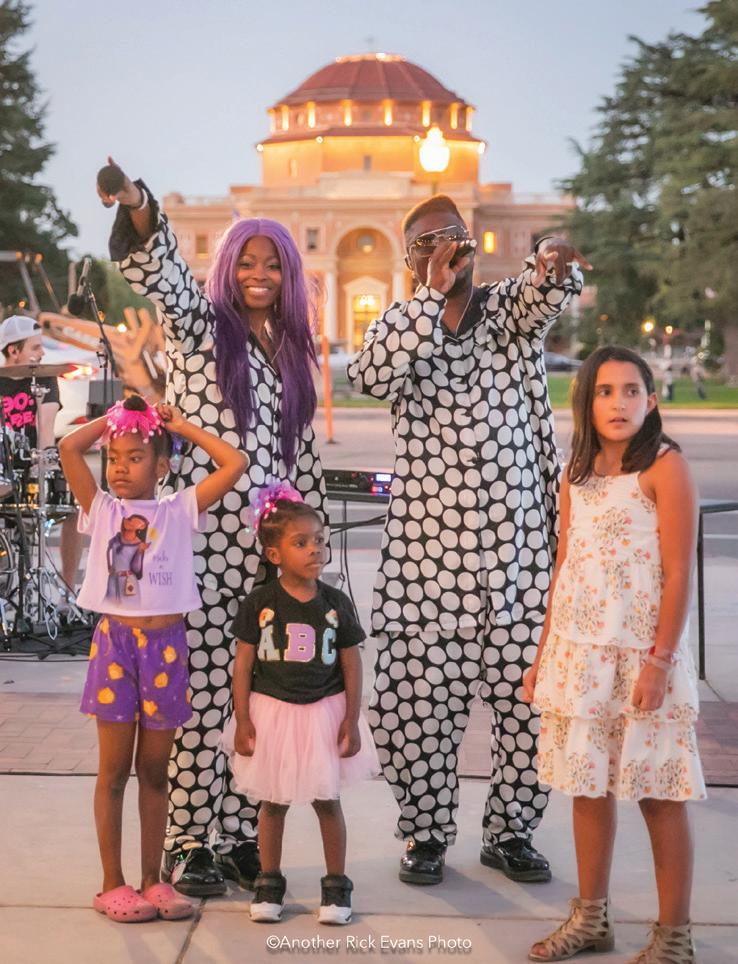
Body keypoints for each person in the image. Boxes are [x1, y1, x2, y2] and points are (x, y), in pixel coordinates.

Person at [97, 158, 328, 896]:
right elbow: (162, 272)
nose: (259, 275)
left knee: (249, 695)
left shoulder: (291, 354)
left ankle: (233, 836)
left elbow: (301, 457)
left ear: (288, 275)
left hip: (263, 557)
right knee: (194, 694)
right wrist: (138, 202)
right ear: (228, 269)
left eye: (273, 265)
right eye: (247, 263)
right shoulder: (202, 328)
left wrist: (306, 548)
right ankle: (189, 839)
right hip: (197, 548)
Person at [348, 194, 591, 886]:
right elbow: (369, 376)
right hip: (427, 568)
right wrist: (429, 299)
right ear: (409, 261)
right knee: (414, 707)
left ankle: (510, 833)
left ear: (473, 243)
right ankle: (425, 834)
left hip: (519, 559)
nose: (443, 249)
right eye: (426, 243)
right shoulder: (402, 325)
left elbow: (545, 293)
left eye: (452, 236)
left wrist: (550, 259)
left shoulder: (507, 314)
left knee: (530, 707)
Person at [522, 346, 704, 963]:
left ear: (651, 400)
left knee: (658, 793)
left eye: (631, 391)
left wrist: (660, 662)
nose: (618, 403)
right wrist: (544, 655)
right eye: (605, 391)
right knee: (587, 786)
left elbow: (678, 574)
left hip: (643, 657)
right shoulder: (576, 473)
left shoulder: (664, 467)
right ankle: (591, 918)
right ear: (587, 402)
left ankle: (674, 937)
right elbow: (564, 568)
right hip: (581, 656)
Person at [59, 394, 247, 923]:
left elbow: (235, 463)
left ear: (162, 467)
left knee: (155, 772)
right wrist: (120, 417)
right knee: (113, 772)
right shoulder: (101, 509)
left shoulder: (178, 510)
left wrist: (178, 425)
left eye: (136, 457)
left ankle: (152, 880)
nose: (120, 467)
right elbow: (69, 447)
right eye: (113, 457)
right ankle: (111, 883)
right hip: (115, 646)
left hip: (166, 648)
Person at [221, 482, 378, 924]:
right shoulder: (260, 603)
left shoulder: (335, 603)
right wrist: (243, 719)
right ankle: (269, 880)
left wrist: (350, 718)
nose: (315, 550)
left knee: (327, 799)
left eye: (320, 541)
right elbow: (243, 665)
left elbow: (352, 663)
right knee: (273, 802)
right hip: (273, 713)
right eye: (301, 543)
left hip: (323, 713)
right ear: (274, 554)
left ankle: (337, 886)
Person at [0, 315, 83, 589]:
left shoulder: (45, 379)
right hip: (3, 469)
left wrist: (44, 465)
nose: (42, 353)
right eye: (35, 347)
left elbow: (45, 429)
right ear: (14, 350)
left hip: (32, 466)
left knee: (73, 510)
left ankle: (67, 591)